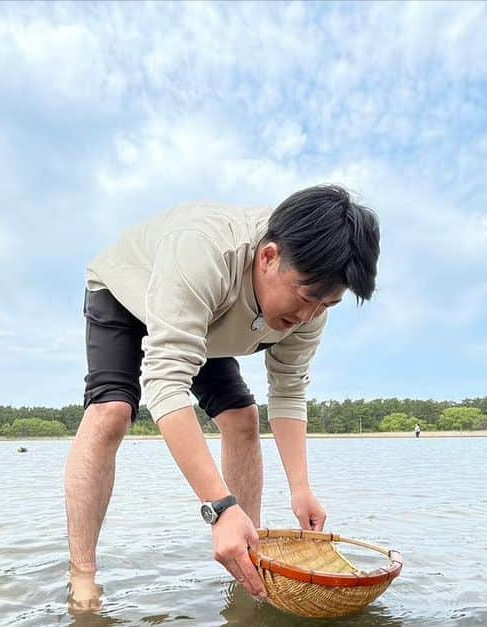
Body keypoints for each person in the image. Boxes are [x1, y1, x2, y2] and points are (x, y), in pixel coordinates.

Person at [64, 185, 381, 604]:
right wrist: (218, 506)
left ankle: (247, 560)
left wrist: (301, 488)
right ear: (268, 257)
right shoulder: (203, 250)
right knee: (113, 412)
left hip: (206, 320)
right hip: (129, 292)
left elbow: (287, 391)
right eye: (305, 298)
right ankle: (82, 575)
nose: (307, 317)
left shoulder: (311, 308)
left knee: (242, 418)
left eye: (327, 305)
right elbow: (167, 381)